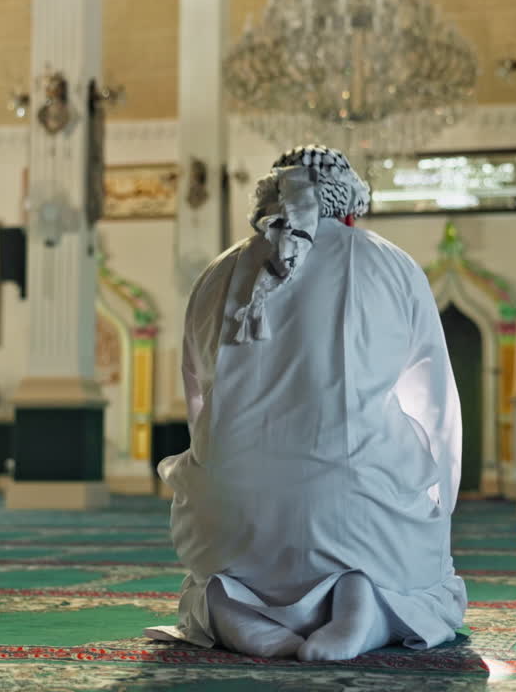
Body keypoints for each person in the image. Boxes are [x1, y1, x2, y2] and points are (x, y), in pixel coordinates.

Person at [145, 145, 467, 662]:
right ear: (351, 209)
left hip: (234, 521)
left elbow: (199, 405)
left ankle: (233, 611)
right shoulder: (391, 265)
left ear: (270, 202)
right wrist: (437, 504)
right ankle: (363, 602)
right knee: (419, 574)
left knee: (217, 579)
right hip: (359, 515)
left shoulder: (216, 274)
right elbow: (433, 408)